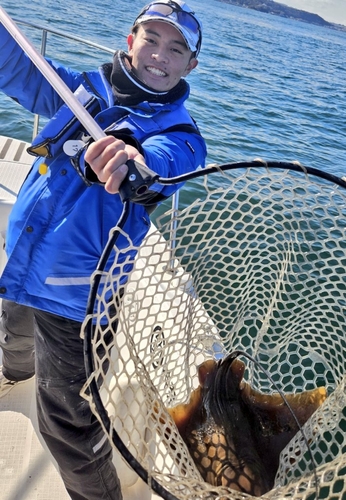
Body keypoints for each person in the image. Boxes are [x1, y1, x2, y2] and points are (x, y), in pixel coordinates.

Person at [0, 1, 205, 499]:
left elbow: (155, 166)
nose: (160, 55)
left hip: (79, 296)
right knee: (13, 327)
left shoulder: (182, 134)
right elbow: (20, 69)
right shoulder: (83, 92)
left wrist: (126, 158)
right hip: (27, 263)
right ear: (131, 41)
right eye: (151, 39)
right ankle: (13, 373)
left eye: (175, 49)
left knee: (68, 426)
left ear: (190, 65)